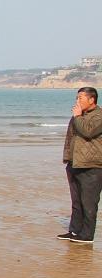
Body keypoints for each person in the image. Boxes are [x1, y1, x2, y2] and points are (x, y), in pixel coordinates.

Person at [59, 86, 102, 244]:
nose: (77, 101)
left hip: (92, 165)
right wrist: (68, 160)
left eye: (80, 98)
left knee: (89, 201)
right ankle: (74, 230)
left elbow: (88, 131)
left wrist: (77, 117)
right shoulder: (79, 115)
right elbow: (71, 138)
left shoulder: (99, 115)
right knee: (76, 201)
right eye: (77, 98)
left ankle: (87, 235)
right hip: (75, 163)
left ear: (92, 100)